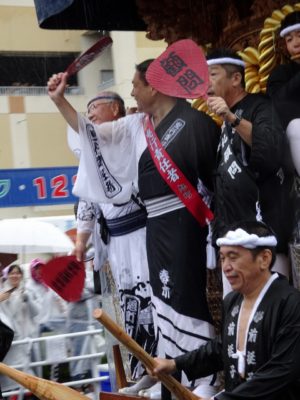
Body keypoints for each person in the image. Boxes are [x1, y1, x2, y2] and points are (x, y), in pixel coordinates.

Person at [47, 47, 221, 397]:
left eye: (135, 85)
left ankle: (203, 378)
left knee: (183, 295)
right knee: (156, 301)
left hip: (182, 220)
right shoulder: (136, 126)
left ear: (154, 86)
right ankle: (169, 374)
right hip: (152, 227)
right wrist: (59, 100)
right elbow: (92, 136)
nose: (131, 92)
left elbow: (210, 179)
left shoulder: (194, 123)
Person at [151, 220, 300, 400]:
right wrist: (175, 363)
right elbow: (222, 348)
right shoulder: (232, 301)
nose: (226, 267)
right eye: (222, 258)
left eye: (233, 256)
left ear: (264, 258)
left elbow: (283, 369)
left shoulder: (291, 303)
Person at [70, 91, 158, 393]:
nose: (91, 113)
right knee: (130, 305)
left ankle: (163, 372)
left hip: (144, 233)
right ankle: (143, 374)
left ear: (115, 108)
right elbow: (87, 204)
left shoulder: (135, 132)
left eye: (95, 107)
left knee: (152, 302)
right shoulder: (90, 152)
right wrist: (81, 242)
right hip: (116, 242)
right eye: (88, 109)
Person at [205, 48, 295, 292]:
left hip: (262, 236)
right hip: (232, 236)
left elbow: (271, 150)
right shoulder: (222, 123)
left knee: (270, 313)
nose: (206, 82)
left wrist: (232, 118)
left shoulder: (260, 106)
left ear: (236, 78)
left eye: (212, 74)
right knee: (237, 319)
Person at [267, 11, 300, 257]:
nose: (296, 42)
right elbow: (280, 102)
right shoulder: (281, 74)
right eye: (289, 39)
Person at [0, 264, 40, 392]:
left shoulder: (28, 291)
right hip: (10, 340)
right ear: (8, 275)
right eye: (12, 273)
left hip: (26, 338)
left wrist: (27, 299)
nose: (15, 275)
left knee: (29, 373)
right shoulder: (3, 293)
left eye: (17, 273)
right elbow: (6, 317)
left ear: (21, 275)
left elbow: (36, 312)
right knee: (11, 375)